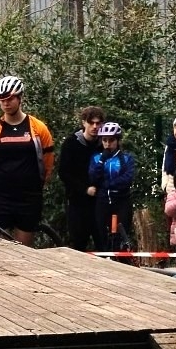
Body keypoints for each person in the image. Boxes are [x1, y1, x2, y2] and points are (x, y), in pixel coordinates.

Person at [0, 76, 55, 246]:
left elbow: (48, 161)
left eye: (10, 99)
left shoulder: (38, 128)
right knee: (0, 250)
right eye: (1, 100)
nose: (6, 104)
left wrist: (39, 185)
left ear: (20, 98)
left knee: (24, 251)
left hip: (28, 198)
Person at [57, 105, 105, 251]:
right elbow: (64, 172)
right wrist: (84, 189)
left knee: (104, 244)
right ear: (84, 122)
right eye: (91, 123)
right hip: (77, 203)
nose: (95, 127)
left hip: (100, 202)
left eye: (98, 123)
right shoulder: (71, 143)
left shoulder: (105, 143)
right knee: (78, 244)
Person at [88, 122, 136, 253]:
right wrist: (102, 160)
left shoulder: (126, 158)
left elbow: (127, 179)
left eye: (111, 140)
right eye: (105, 140)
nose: (108, 143)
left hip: (121, 200)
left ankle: (122, 259)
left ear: (118, 140)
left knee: (122, 236)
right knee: (101, 236)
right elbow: (93, 178)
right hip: (103, 200)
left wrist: (106, 185)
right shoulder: (96, 158)